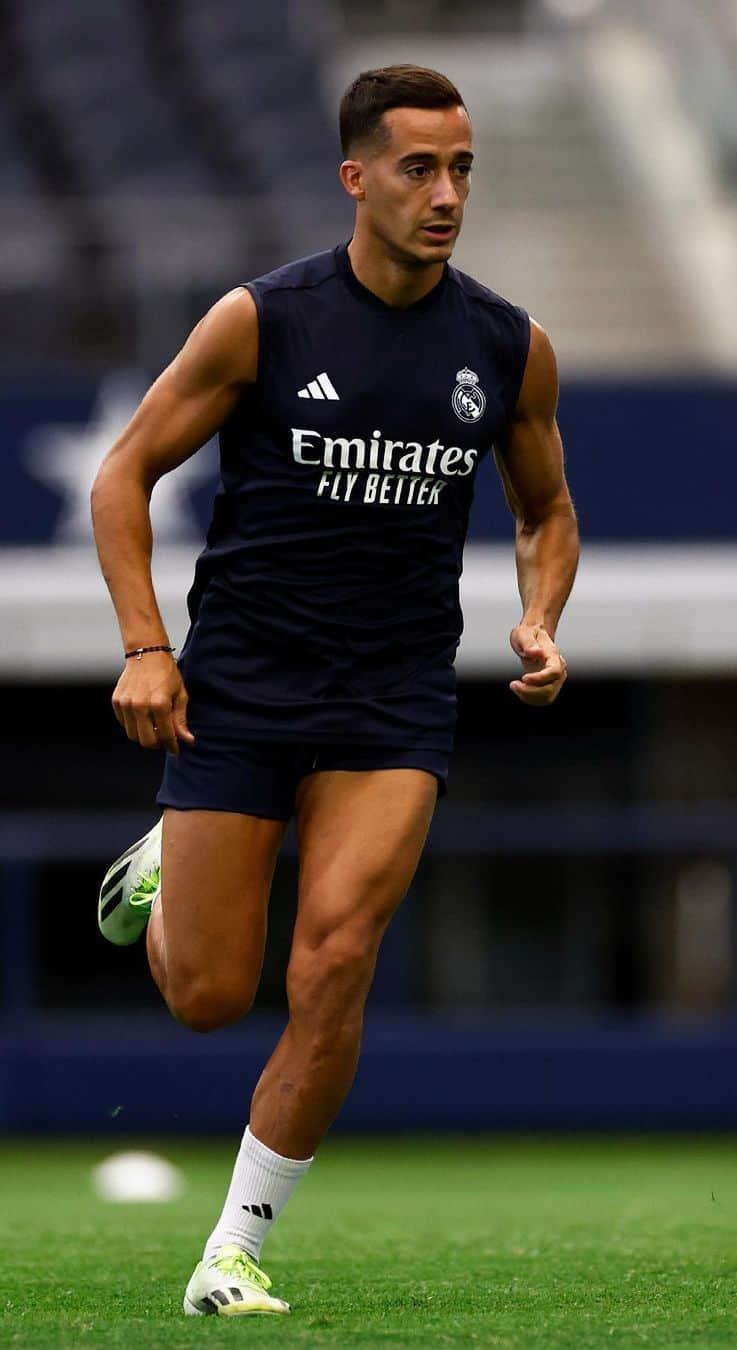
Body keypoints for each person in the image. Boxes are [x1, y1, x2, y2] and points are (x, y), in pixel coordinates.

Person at [90, 65, 578, 1318]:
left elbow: (547, 510)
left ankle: (234, 1251)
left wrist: (538, 614)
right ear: (355, 175)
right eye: (420, 167)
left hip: (393, 700)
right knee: (206, 998)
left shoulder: (506, 346)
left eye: (464, 167)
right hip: (243, 689)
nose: (447, 193)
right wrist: (148, 647)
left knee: (339, 958)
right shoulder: (265, 319)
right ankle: (163, 871)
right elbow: (121, 477)